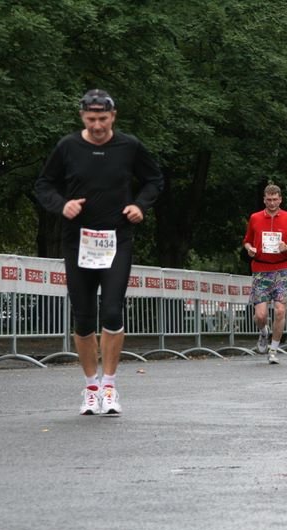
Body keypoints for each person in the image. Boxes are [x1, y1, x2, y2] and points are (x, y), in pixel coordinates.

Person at [35, 89, 163, 416]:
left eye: (102, 119)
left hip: (116, 239)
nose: (97, 126)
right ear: (82, 117)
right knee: (83, 317)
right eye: (91, 119)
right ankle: (91, 387)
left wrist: (140, 205)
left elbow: (154, 180)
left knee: (111, 311)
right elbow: (44, 185)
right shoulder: (67, 147)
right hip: (78, 240)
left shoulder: (129, 146)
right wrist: (62, 205)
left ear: (113, 116)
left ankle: (110, 383)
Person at [243, 184, 287, 364]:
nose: (271, 203)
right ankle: (263, 333)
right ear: (264, 200)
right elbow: (246, 241)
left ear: (280, 199)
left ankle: (273, 350)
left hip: (282, 270)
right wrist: (250, 249)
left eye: (275, 199)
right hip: (261, 270)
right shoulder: (255, 218)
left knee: (279, 311)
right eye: (268, 199)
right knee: (261, 315)